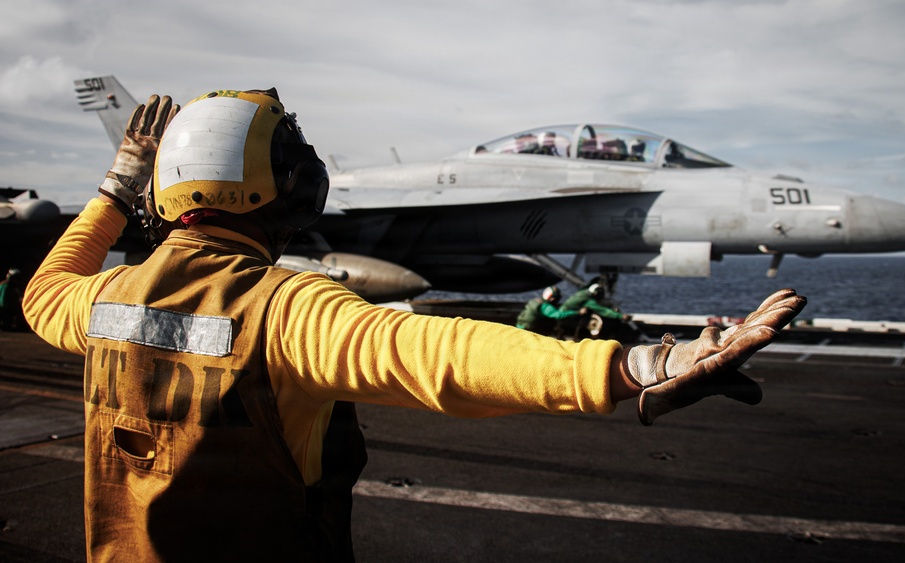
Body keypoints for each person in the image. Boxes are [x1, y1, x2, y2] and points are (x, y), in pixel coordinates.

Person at [22, 88, 806, 562]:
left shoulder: (101, 302)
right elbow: (443, 354)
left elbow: (44, 288)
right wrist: (637, 366)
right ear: (294, 190)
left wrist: (117, 187)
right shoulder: (288, 309)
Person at [515, 285, 583, 334]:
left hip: (520, 325)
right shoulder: (545, 307)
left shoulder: (535, 300)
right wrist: (577, 312)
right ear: (553, 299)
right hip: (529, 329)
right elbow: (559, 315)